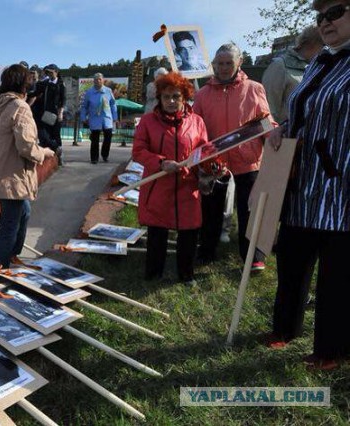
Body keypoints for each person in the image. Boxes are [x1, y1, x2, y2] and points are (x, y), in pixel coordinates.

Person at [266, 0, 350, 370]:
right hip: (301, 183)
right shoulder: (320, 60)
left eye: (335, 12)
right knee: (291, 261)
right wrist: (284, 129)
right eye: (320, 16)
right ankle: (285, 328)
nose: (324, 22)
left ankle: (330, 352)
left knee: (337, 276)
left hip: (342, 192)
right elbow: (300, 109)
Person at [0, 65, 54, 284]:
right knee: (9, 228)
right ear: (24, 86)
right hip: (11, 178)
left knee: (23, 212)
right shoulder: (19, 107)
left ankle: (11, 259)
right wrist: (43, 152)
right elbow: (26, 146)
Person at [193, 43, 275, 270]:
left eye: (229, 62)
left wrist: (276, 136)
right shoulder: (202, 94)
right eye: (220, 63)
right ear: (214, 65)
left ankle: (252, 255)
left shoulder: (254, 88)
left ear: (239, 63)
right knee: (211, 208)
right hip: (214, 162)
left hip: (248, 159)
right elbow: (195, 126)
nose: (224, 67)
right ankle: (207, 250)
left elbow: (265, 120)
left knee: (249, 208)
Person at [132, 72, 209, 284]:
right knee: (157, 232)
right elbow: (138, 151)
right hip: (158, 185)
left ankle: (186, 274)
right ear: (159, 98)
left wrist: (211, 165)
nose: (171, 101)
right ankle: (153, 273)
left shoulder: (197, 122)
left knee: (189, 231)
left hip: (188, 186)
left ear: (184, 98)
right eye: (166, 97)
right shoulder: (147, 121)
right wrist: (161, 162)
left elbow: (204, 150)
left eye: (176, 96)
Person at [262, 26, 324, 123]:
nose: (327, 50)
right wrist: (269, 136)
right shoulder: (280, 66)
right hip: (285, 135)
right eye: (324, 45)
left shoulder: (317, 69)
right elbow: (266, 109)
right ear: (312, 43)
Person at [29, 64, 66, 165]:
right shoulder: (45, 83)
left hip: (56, 114)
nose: (49, 74)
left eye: (51, 72)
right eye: (47, 72)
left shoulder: (61, 84)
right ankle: (53, 152)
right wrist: (25, 94)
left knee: (56, 135)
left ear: (56, 72)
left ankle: (59, 157)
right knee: (44, 135)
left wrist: (60, 112)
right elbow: (35, 93)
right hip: (45, 114)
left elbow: (63, 99)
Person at [80, 73, 118, 164]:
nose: (98, 81)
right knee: (95, 139)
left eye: (100, 79)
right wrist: (83, 116)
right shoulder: (89, 92)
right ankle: (94, 158)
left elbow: (113, 104)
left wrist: (115, 117)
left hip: (107, 118)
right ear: (93, 81)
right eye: (96, 79)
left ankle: (105, 155)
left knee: (108, 137)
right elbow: (84, 106)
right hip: (94, 118)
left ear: (103, 80)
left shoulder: (108, 91)